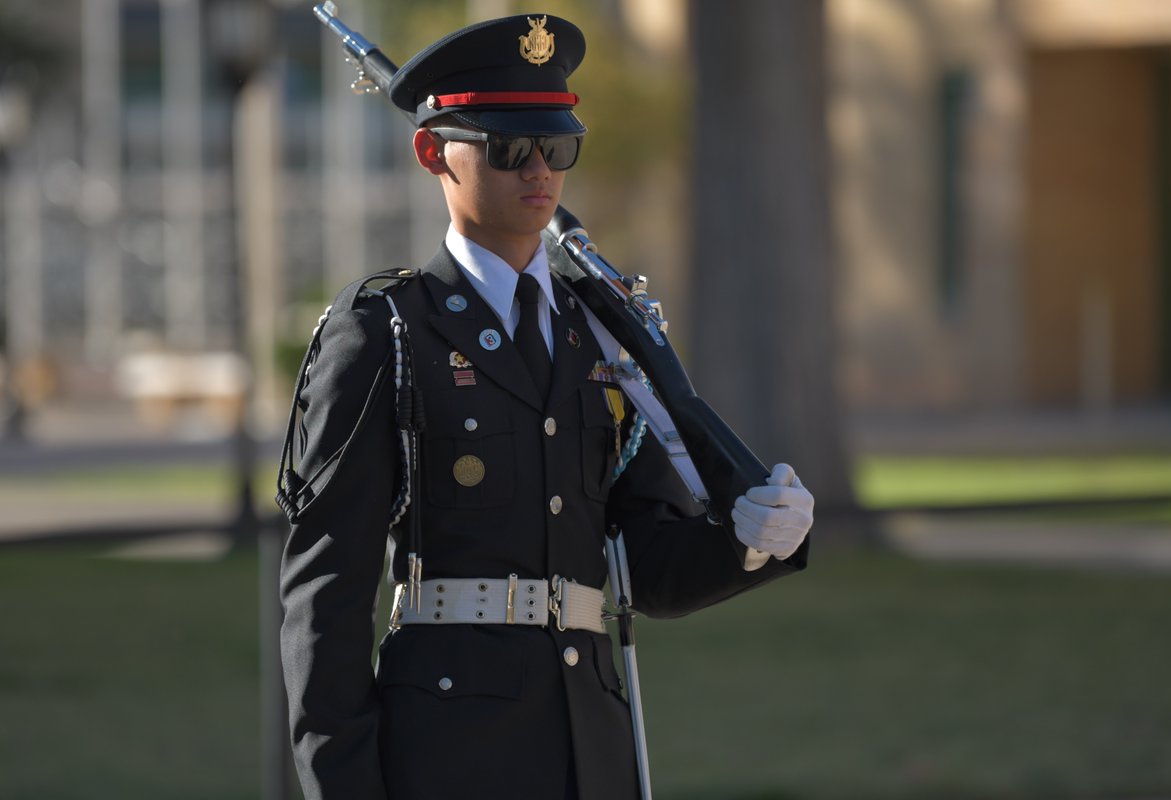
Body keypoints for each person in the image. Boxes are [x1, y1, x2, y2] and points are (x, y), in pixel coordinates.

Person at [277, 13, 814, 800]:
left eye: (557, 147)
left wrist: (752, 540)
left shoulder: (593, 335)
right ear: (434, 152)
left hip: (590, 751)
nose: (538, 170)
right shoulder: (388, 332)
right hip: (447, 755)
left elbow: (645, 569)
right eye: (507, 148)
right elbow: (324, 600)